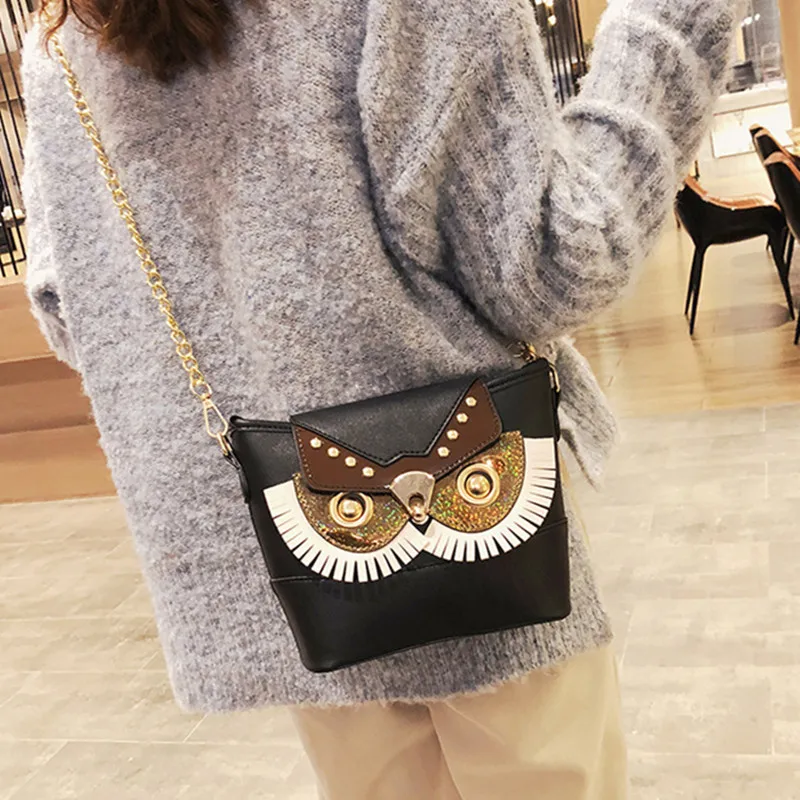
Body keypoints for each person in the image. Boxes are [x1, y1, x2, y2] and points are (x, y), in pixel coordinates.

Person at [22, 0, 735, 797]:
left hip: (299, 562)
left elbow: (71, 309)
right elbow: (556, 266)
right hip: (483, 542)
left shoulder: (64, 47)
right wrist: (670, 25)